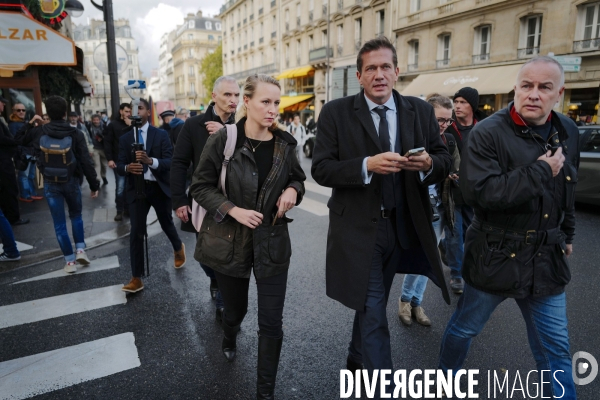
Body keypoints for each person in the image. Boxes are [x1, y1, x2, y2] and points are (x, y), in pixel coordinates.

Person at [311, 37, 451, 397]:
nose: (379, 74)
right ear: (359, 76)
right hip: (358, 232)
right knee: (374, 311)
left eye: (385, 66)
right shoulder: (336, 113)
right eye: (370, 68)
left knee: (369, 304)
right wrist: (365, 166)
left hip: (403, 228)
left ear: (397, 71)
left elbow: (444, 159)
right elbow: (321, 169)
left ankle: (357, 361)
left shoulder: (419, 111)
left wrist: (429, 164)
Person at [438, 56, 579, 399]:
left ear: (558, 93)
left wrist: (569, 232)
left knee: (555, 349)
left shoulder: (567, 129)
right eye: (526, 86)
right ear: (515, 88)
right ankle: (444, 383)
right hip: (495, 255)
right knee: (464, 329)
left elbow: (568, 188)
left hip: (546, 258)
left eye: (544, 87)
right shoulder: (488, 132)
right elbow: (480, 193)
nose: (534, 94)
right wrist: (541, 171)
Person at [191, 74, 305, 399]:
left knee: (271, 323)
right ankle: (229, 335)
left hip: (273, 243)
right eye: (265, 102)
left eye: (276, 103)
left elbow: (298, 178)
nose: (272, 110)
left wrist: (293, 191)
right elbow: (199, 186)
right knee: (236, 311)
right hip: (231, 243)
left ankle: (264, 392)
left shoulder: (284, 143)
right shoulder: (225, 139)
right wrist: (232, 209)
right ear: (247, 102)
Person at [171, 76, 239, 320]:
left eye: (236, 95)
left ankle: (224, 304)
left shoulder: (242, 125)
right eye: (227, 95)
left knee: (227, 254)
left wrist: (229, 134)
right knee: (205, 255)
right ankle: (214, 279)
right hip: (203, 199)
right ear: (214, 96)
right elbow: (179, 163)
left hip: (235, 201)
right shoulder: (193, 125)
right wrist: (179, 200)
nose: (233, 100)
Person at [398, 94, 460, 327]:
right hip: (420, 207)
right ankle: (405, 301)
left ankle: (416, 302)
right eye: (439, 120)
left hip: (442, 207)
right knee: (420, 257)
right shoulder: (412, 137)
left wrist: (454, 175)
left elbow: (457, 166)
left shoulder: (450, 141)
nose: (443, 125)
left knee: (431, 258)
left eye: (447, 121)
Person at [19, 96, 99, 273]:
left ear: (47, 112)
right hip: (71, 180)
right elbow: (86, 161)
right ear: (65, 113)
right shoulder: (75, 133)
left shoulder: (39, 132)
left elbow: (19, 140)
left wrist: (31, 123)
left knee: (59, 223)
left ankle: (70, 262)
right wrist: (94, 184)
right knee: (76, 215)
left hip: (49, 182)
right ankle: (80, 250)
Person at [117, 98, 186, 293]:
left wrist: (150, 161)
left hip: (158, 187)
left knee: (166, 223)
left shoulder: (161, 135)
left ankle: (178, 246)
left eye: (140, 108)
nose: (136, 112)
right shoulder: (124, 138)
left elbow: (170, 161)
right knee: (136, 231)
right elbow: (120, 165)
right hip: (136, 189)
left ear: (148, 112)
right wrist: (128, 167)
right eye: (132, 109)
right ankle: (136, 277)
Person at [442, 87, 486, 294]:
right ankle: (457, 274)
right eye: (456, 102)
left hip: (474, 191)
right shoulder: (447, 127)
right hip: (452, 189)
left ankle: (448, 249)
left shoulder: (484, 127)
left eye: (462, 102)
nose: (457, 106)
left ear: (472, 106)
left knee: (471, 233)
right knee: (454, 233)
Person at [0, 96, 29, 226]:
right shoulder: (10, 123)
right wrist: (16, 142)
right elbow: (3, 139)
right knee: (10, 189)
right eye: (2, 103)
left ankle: (9, 217)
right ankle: (12, 218)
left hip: (5, 159)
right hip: (3, 161)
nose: (3, 106)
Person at [104, 103, 132, 221]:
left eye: (130, 112)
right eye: (126, 111)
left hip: (132, 160)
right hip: (118, 160)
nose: (128, 114)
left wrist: (131, 126)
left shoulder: (133, 124)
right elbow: (108, 142)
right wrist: (110, 159)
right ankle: (119, 210)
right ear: (121, 111)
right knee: (120, 186)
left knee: (130, 186)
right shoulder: (113, 125)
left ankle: (128, 209)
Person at [89, 114, 108, 186]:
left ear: (100, 120)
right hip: (95, 148)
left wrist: (102, 138)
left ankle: (104, 176)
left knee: (104, 165)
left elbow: (108, 136)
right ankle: (98, 179)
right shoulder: (89, 127)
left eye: (97, 120)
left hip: (103, 148)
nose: (96, 121)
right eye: (94, 120)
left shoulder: (104, 127)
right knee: (97, 164)